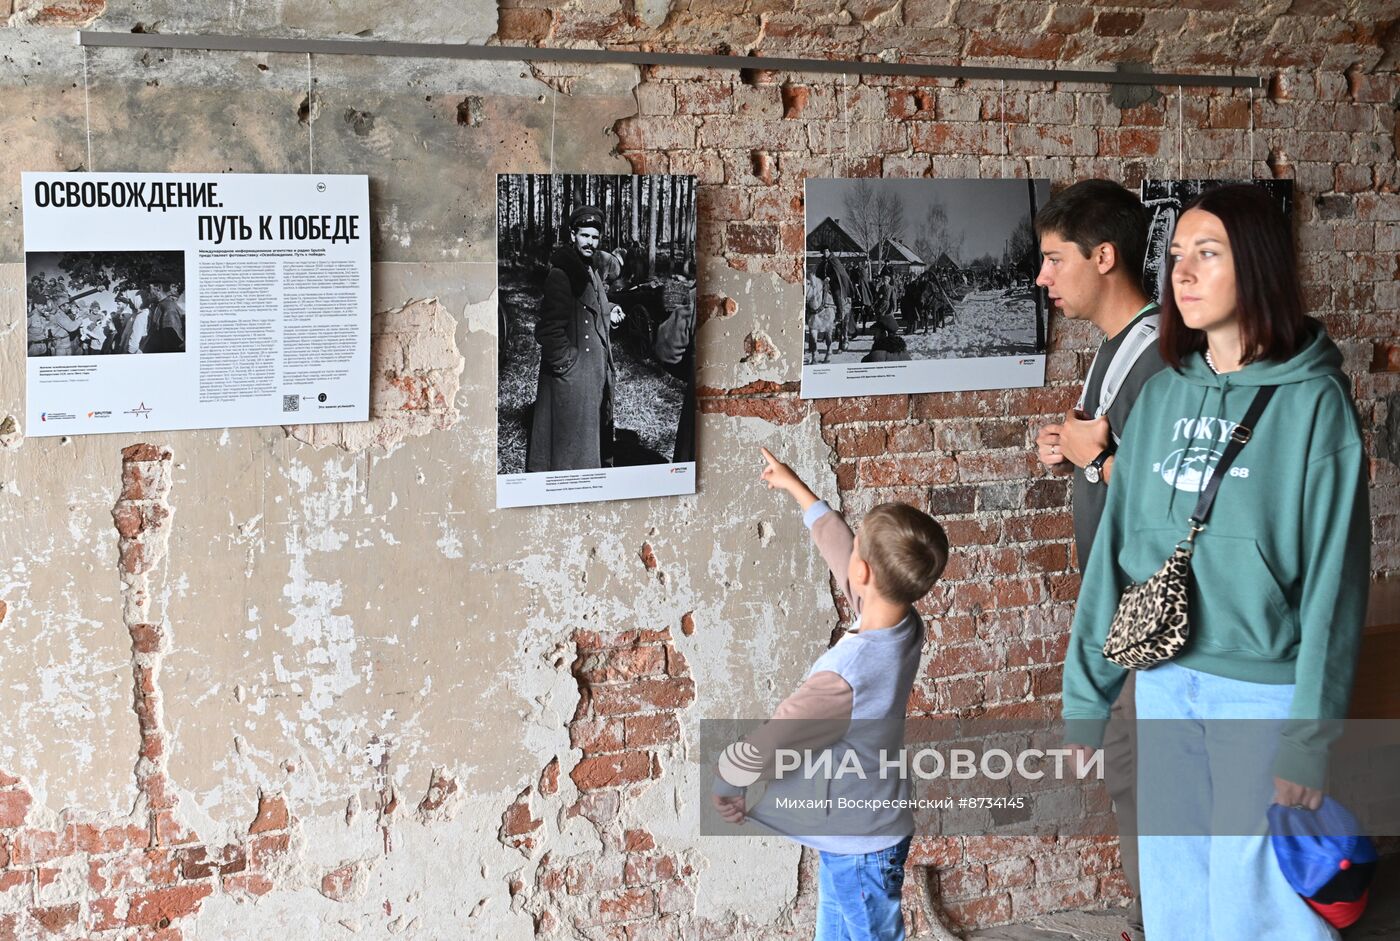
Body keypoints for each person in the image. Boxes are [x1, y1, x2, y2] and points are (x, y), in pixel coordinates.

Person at [1060, 184, 1369, 940]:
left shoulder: (1314, 403)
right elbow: (1120, 555)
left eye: (1207, 254)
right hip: (1163, 682)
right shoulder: (1164, 394)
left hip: (1261, 694)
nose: (1182, 274)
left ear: (1256, 265)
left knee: (1258, 909)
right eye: (1175, 257)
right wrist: (1085, 701)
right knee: (1175, 897)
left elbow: (1336, 584)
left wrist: (1309, 734)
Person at [713, 447, 949, 941]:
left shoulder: (847, 673)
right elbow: (844, 552)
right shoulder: (904, 621)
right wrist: (798, 490)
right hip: (861, 826)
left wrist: (729, 782)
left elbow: (780, 731)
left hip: (862, 842)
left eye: (859, 548)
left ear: (864, 576)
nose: (851, 552)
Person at [1031, 178, 1165, 941]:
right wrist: (1072, 452)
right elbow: (1112, 460)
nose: (1042, 278)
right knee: (1130, 776)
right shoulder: (1116, 350)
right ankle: (1154, 917)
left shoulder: (1162, 358)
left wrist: (1102, 455)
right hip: (1119, 607)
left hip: (1149, 612)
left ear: (1104, 255)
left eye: (1053, 259)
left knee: (1148, 779)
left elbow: (1177, 500)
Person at [527, 206, 626, 472]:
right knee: (569, 451)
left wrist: (610, 308)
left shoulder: (588, 269)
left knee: (586, 442)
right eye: (584, 236)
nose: (590, 243)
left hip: (590, 375)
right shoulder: (562, 274)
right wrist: (569, 365)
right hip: (572, 378)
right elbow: (550, 330)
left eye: (594, 238)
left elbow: (591, 305)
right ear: (573, 235)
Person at [145, 284, 186, 354]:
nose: (147, 293)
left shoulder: (168, 308)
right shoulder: (161, 304)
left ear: (159, 288)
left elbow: (171, 341)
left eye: (149, 288)